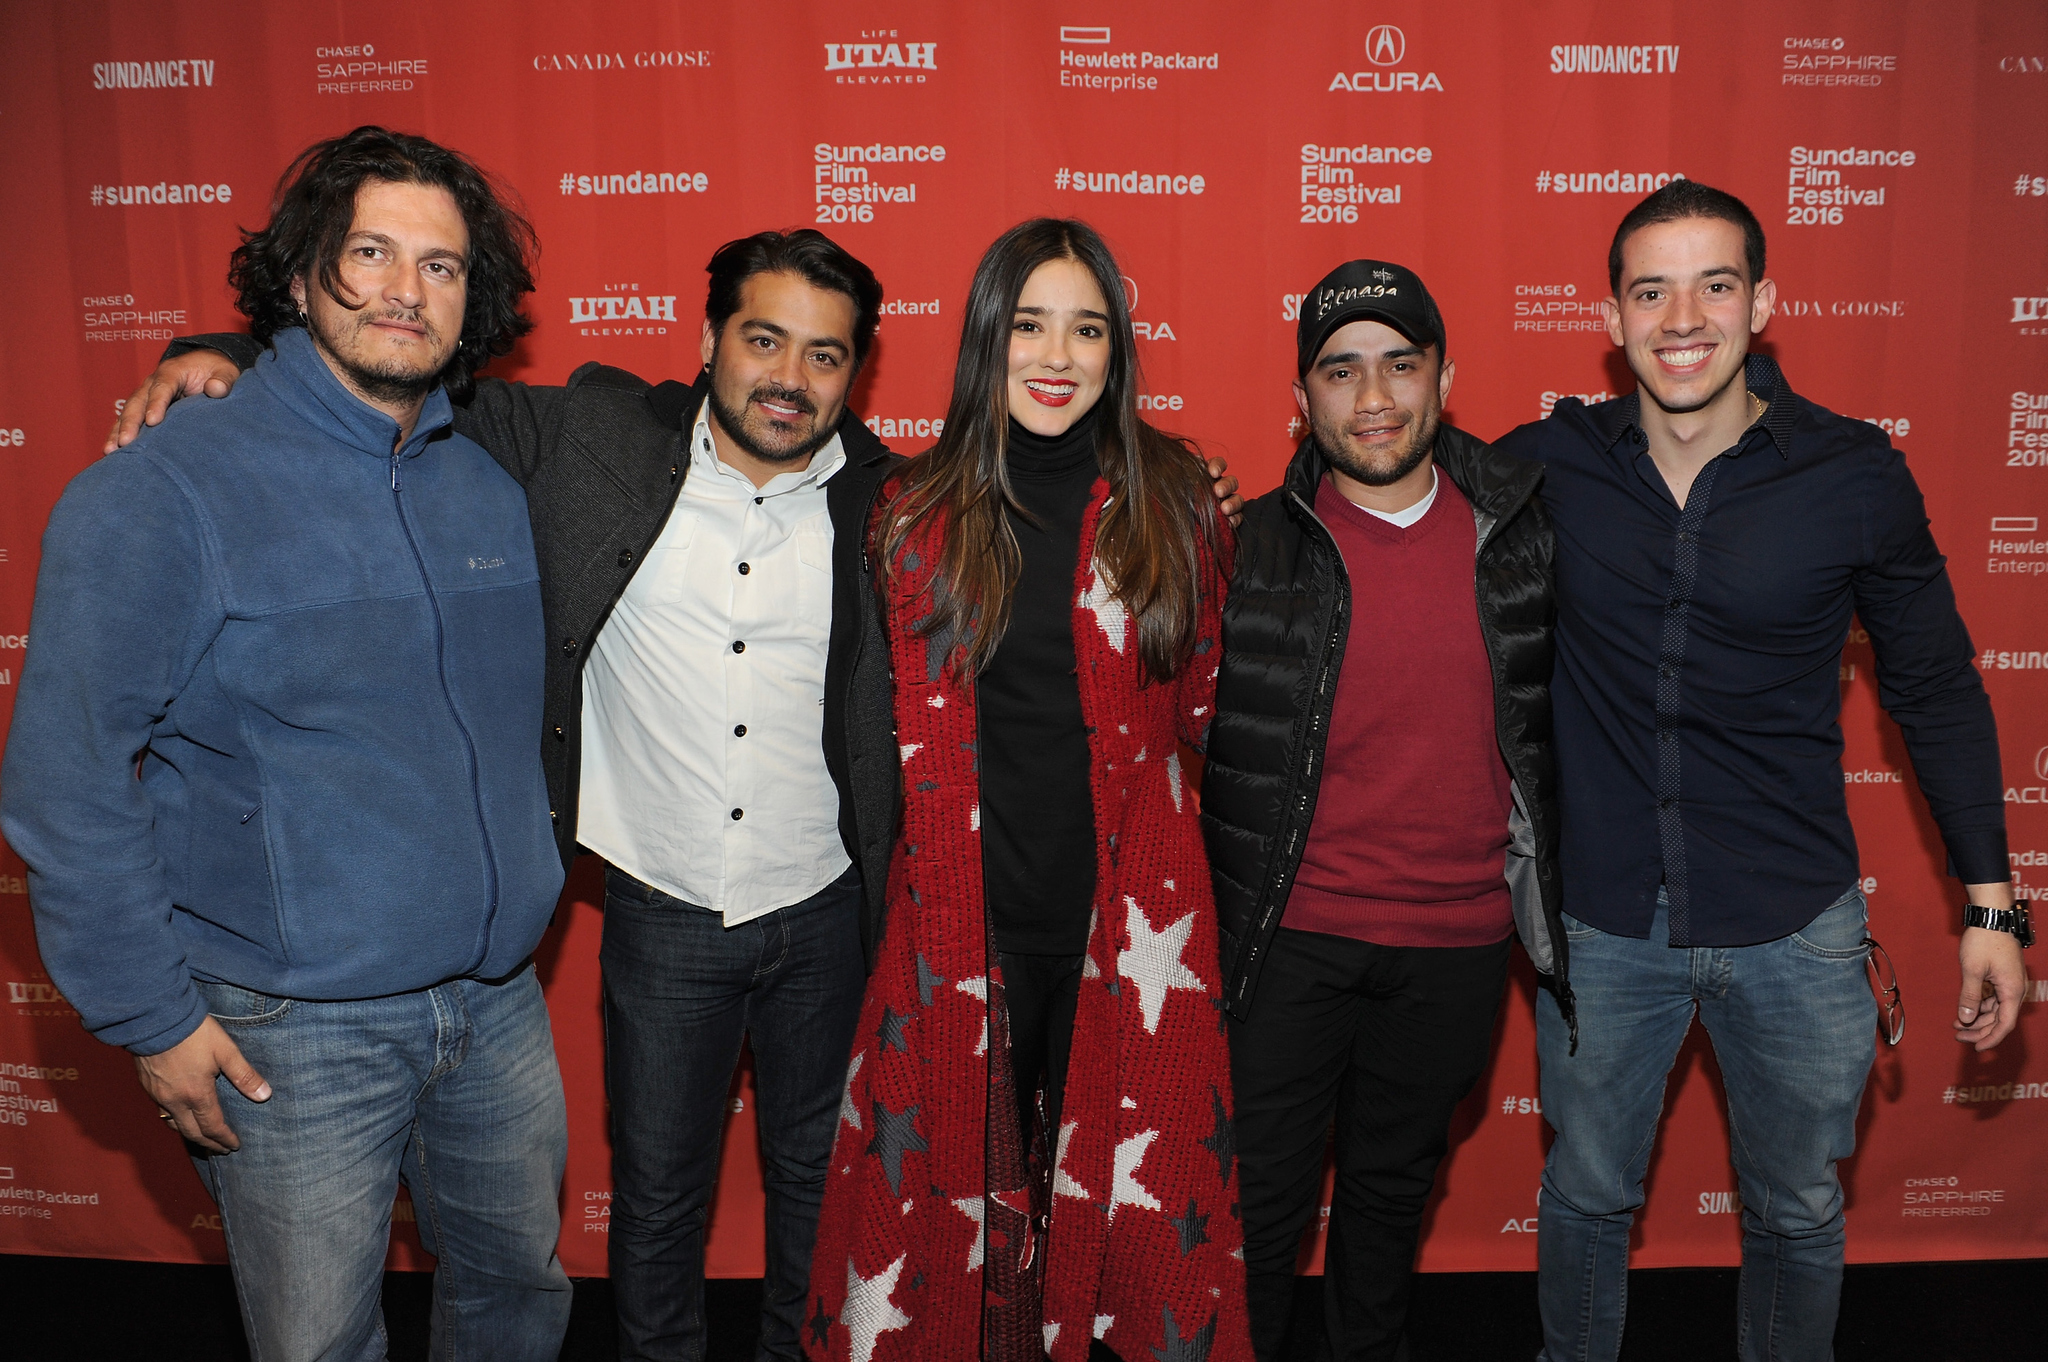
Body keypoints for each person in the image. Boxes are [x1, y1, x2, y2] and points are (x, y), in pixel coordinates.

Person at [122, 232, 1242, 1362]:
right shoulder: (599, 438)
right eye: (762, 341)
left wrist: (1179, 492)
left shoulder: (893, 504)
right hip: (659, 907)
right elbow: (398, 374)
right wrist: (221, 355)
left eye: (822, 355)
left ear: (856, 374)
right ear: (709, 341)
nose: (787, 377)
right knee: (657, 1200)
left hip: (827, 906)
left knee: (827, 1188)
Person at [2, 127, 572, 1360]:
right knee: (319, 1345)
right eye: (369, 251)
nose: (403, 290)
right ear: (303, 271)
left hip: (495, 1005)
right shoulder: (162, 490)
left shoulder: (482, 487)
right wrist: (150, 1018)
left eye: (441, 266)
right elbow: (66, 781)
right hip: (290, 1031)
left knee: (521, 1302)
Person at [1491, 180, 2027, 1362]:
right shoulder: (1546, 461)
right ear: (1613, 316)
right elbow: (1387, 494)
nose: (1682, 317)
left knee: (1794, 1212)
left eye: (1713, 284)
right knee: (1583, 1200)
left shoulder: (1851, 475)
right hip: (1602, 926)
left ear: (1761, 304)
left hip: (1793, 926)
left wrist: (1994, 903)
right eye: (1651, 290)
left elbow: (1934, 689)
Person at [801, 219, 1250, 1362]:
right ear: (986, 342)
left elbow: (1204, 711)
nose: (1056, 355)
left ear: (1117, 349)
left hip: (1130, 941)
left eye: (1086, 328)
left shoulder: (1178, 506)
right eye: (1030, 325)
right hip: (958, 934)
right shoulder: (907, 517)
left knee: (1131, 1253)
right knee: (946, 1253)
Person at [1200, 259, 1567, 1361]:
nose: (1371, 399)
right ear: (1301, 400)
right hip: (1287, 939)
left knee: (1385, 1203)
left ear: (1442, 378)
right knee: (1255, 1211)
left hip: (1454, 943)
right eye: (1340, 371)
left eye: (1398, 366)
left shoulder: (1524, 539)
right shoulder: (1241, 545)